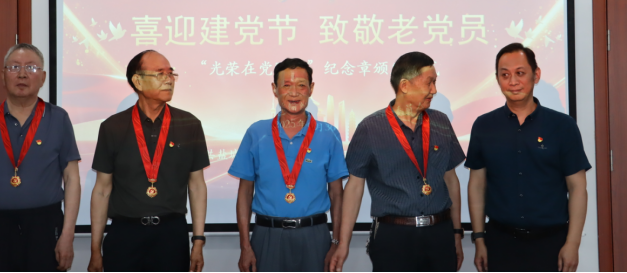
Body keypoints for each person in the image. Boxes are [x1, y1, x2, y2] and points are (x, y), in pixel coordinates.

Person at [331, 52, 466, 272]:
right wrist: (343, 243)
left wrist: (457, 234)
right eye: (429, 83)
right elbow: (354, 187)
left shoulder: (440, 122)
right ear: (404, 85)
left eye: (435, 82)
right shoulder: (370, 128)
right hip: (393, 237)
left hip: (440, 234)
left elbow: (451, 180)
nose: (434, 90)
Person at [466, 43, 591, 273]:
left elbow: (577, 188)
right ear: (497, 79)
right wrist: (479, 239)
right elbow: (477, 185)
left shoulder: (562, 126)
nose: (513, 81)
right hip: (500, 243)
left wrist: (573, 243)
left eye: (520, 73)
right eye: (505, 75)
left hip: (551, 243)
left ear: (536, 74)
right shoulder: (484, 126)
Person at [0, 43, 81, 272]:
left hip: (45, 227)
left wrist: (68, 235)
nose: (22, 74)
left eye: (31, 68)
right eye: (14, 67)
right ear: (3, 75)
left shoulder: (58, 119)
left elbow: (72, 179)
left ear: (43, 77)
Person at [88, 50, 209, 273]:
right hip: (125, 233)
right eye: (160, 73)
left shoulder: (189, 124)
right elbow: (102, 190)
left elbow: (197, 186)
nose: (169, 79)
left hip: (171, 234)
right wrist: (95, 248)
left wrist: (198, 240)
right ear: (137, 81)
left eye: (171, 74)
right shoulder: (113, 127)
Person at [229, 58, 348, 272]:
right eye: (286, 85)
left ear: (311, 89)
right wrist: (245, 246)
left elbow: (337, 195)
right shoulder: (256, 133)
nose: (294, 93)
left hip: (315, 236)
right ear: (275, 89)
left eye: (301, 85)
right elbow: (245, 193)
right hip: (267, 235)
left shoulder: (329, 135)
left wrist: (336, 242)